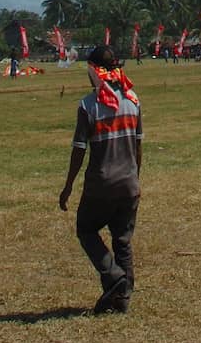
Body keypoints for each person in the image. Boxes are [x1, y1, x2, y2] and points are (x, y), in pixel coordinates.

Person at [59, 45, 142, 315]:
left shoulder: (88, 106)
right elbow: (138, 147)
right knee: (122, 240)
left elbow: (79, 149)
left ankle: (113, 277)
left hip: (101, 184)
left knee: (86, 229)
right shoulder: (133, 100)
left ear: (95, 72)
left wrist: (69, 186)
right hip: (129, 183)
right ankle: (123, 298)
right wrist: (135, 177)